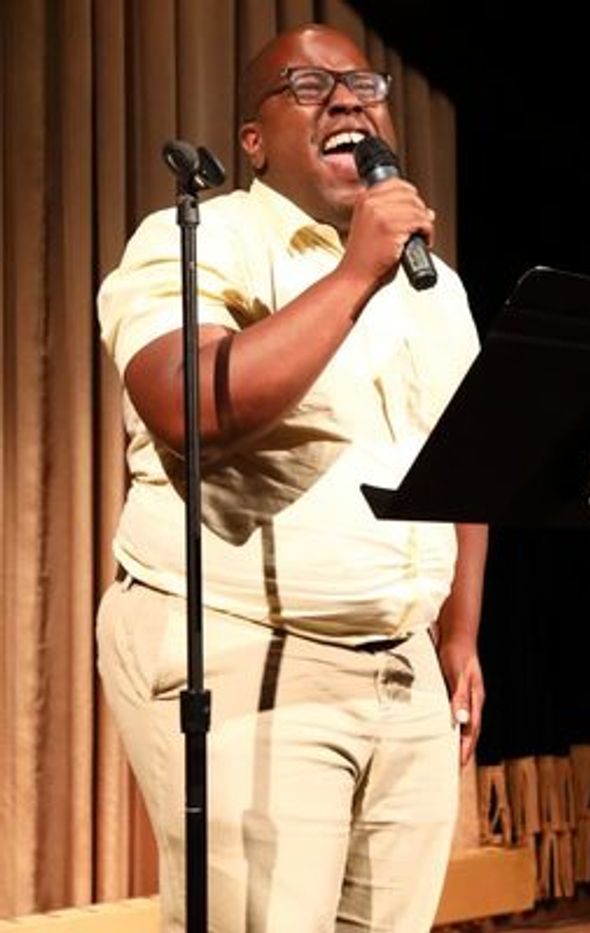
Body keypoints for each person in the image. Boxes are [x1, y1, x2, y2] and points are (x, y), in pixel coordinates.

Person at [95, 23, 487, 932]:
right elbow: (190, 406)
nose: (348, 100)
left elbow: (462, 465)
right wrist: (357, 270)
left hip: (403, 671)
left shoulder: (440, 288)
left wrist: (458, 637)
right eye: (309, 86)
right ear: (254, 141)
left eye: (364, 84)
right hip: (247, 652)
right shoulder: (197, 239)